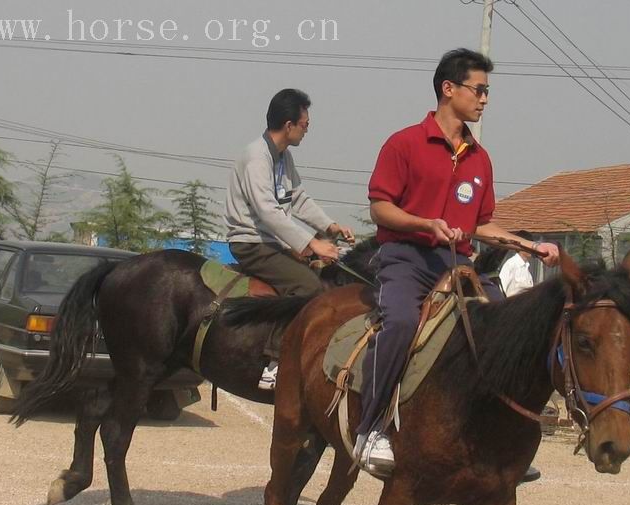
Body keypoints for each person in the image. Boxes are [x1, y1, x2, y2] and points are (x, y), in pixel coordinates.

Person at [355, 48, 560, 474]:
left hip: (457, 265)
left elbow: (481, 224)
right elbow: (380, 208)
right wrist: (425, 224)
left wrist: (527, 245)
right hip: (404, 258)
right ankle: (369, 429)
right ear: (448, 89)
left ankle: (503, 442)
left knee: (505, 330)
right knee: (401, 325)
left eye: (488, 92)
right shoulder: (404, 143)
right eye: (479, 90)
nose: (485, 99)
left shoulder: (480, 158)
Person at [225, 88, 354, 389]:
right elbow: (268, 212)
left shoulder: (283, 157)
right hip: (252, 242)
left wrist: (330, 226)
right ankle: (274, 362)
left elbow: (297, 199)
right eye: (305, 124)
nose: (307, 130)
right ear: (288, 125)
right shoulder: (257, 157)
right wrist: (312, 245)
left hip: (273, 242)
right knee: (307, 286)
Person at [498, 230, 537, 297]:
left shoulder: (527, 269)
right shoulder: (511, 264)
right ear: (519, 247)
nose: (531, 249)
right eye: (528, 246)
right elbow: (501, 289)